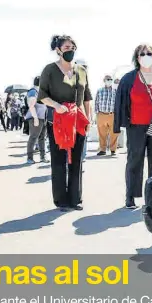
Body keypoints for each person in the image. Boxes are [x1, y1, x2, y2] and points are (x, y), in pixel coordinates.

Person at [114, 44, 152, 209]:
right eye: (142, 54)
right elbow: (120, 103)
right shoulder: (129, 78)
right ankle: (130, 196)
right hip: (136, 125)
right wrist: (118, 126)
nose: (146, 56)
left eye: (149, 53)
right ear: (137, 58)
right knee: (135, 160)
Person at [37, 34, 92, 211]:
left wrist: (88, 118)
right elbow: (42, 96)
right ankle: (61, 199)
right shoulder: (49, 70)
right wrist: (57, 106)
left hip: (78, 121)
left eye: (73, 48)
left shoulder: (82, 70)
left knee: (76, 160)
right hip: (58, 121)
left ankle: (75, 198)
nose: (71, 51)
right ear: (58, 50)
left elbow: (87, 97)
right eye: (67, 48)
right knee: (59, 160)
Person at [25, 76, 49, 164]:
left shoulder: (40, 91)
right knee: (33, 137)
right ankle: (30, 158)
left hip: (42, 118)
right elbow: (31, 105)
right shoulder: (33, 91)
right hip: (36, 118)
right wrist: (35, 118)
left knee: (42, 138)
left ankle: (43, 157)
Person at [94, 75, 118, 156]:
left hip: (112, 114)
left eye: (111, 79)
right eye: (108, 79)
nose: (109, 81)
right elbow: (96, 102)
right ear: (104, 80)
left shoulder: (115, 91)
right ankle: (102, 150)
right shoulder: (99, 91)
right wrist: (97, 113)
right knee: (102, 134)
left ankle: (113, 150)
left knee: (114, 133)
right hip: (101, 114)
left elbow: (118, 104)